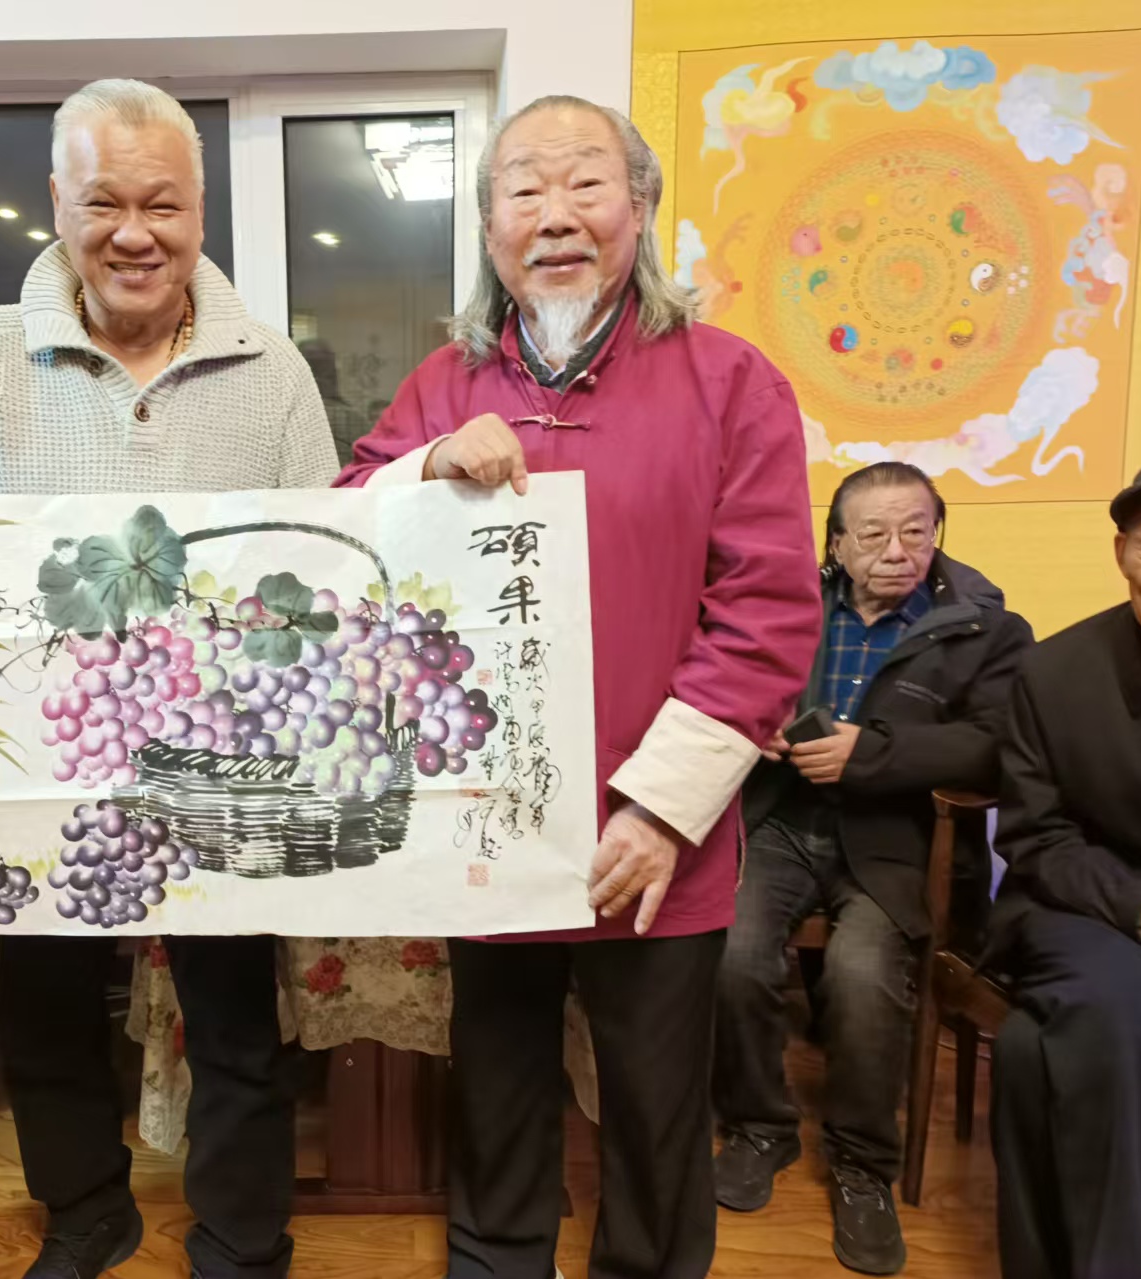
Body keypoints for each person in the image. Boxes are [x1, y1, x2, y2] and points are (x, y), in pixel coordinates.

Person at [335, 94, 822, 1279]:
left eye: (585, 183)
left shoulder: (728, 381)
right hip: (491, 824)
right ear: (489, 228)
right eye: (522, 189)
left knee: (654, 1108)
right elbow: (345, 530)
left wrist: (659, 810)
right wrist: (423, 465)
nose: (554, 214)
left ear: (638, 209)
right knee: (497, 1091)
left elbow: (764, 613)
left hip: (656, 836)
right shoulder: (443, 383)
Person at [0, 80, 336, 1279]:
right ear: (58, 202)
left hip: (218, 743)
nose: (134, 233)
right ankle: (86, 1207)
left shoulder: (272, 369)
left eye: (162, 204)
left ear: (200, 211)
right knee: (46, 999)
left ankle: (243, 1233)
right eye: (103, 203)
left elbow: (319, 555)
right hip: (43, 741)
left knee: (234, 1004)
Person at [712, 461, 1032, 1274]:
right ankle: (759, 1126)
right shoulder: (789, 604)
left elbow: (1000, 747)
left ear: (937, 533)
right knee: (731, 950)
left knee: (861, 974)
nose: (897, 550)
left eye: (915, 531)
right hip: (782, 821)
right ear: (836, 543)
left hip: (895, 843)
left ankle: (862, 1163)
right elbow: (726, 679)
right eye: (875, 533)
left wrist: (875, 754)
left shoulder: (986, 629)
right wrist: (760, 722)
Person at [989, 447, 1141, 1279]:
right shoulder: (1054, 673)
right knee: (1117, 1014)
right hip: (1094, 909)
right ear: (1121, 554)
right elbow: (1037, 839)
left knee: (1028, 1049)